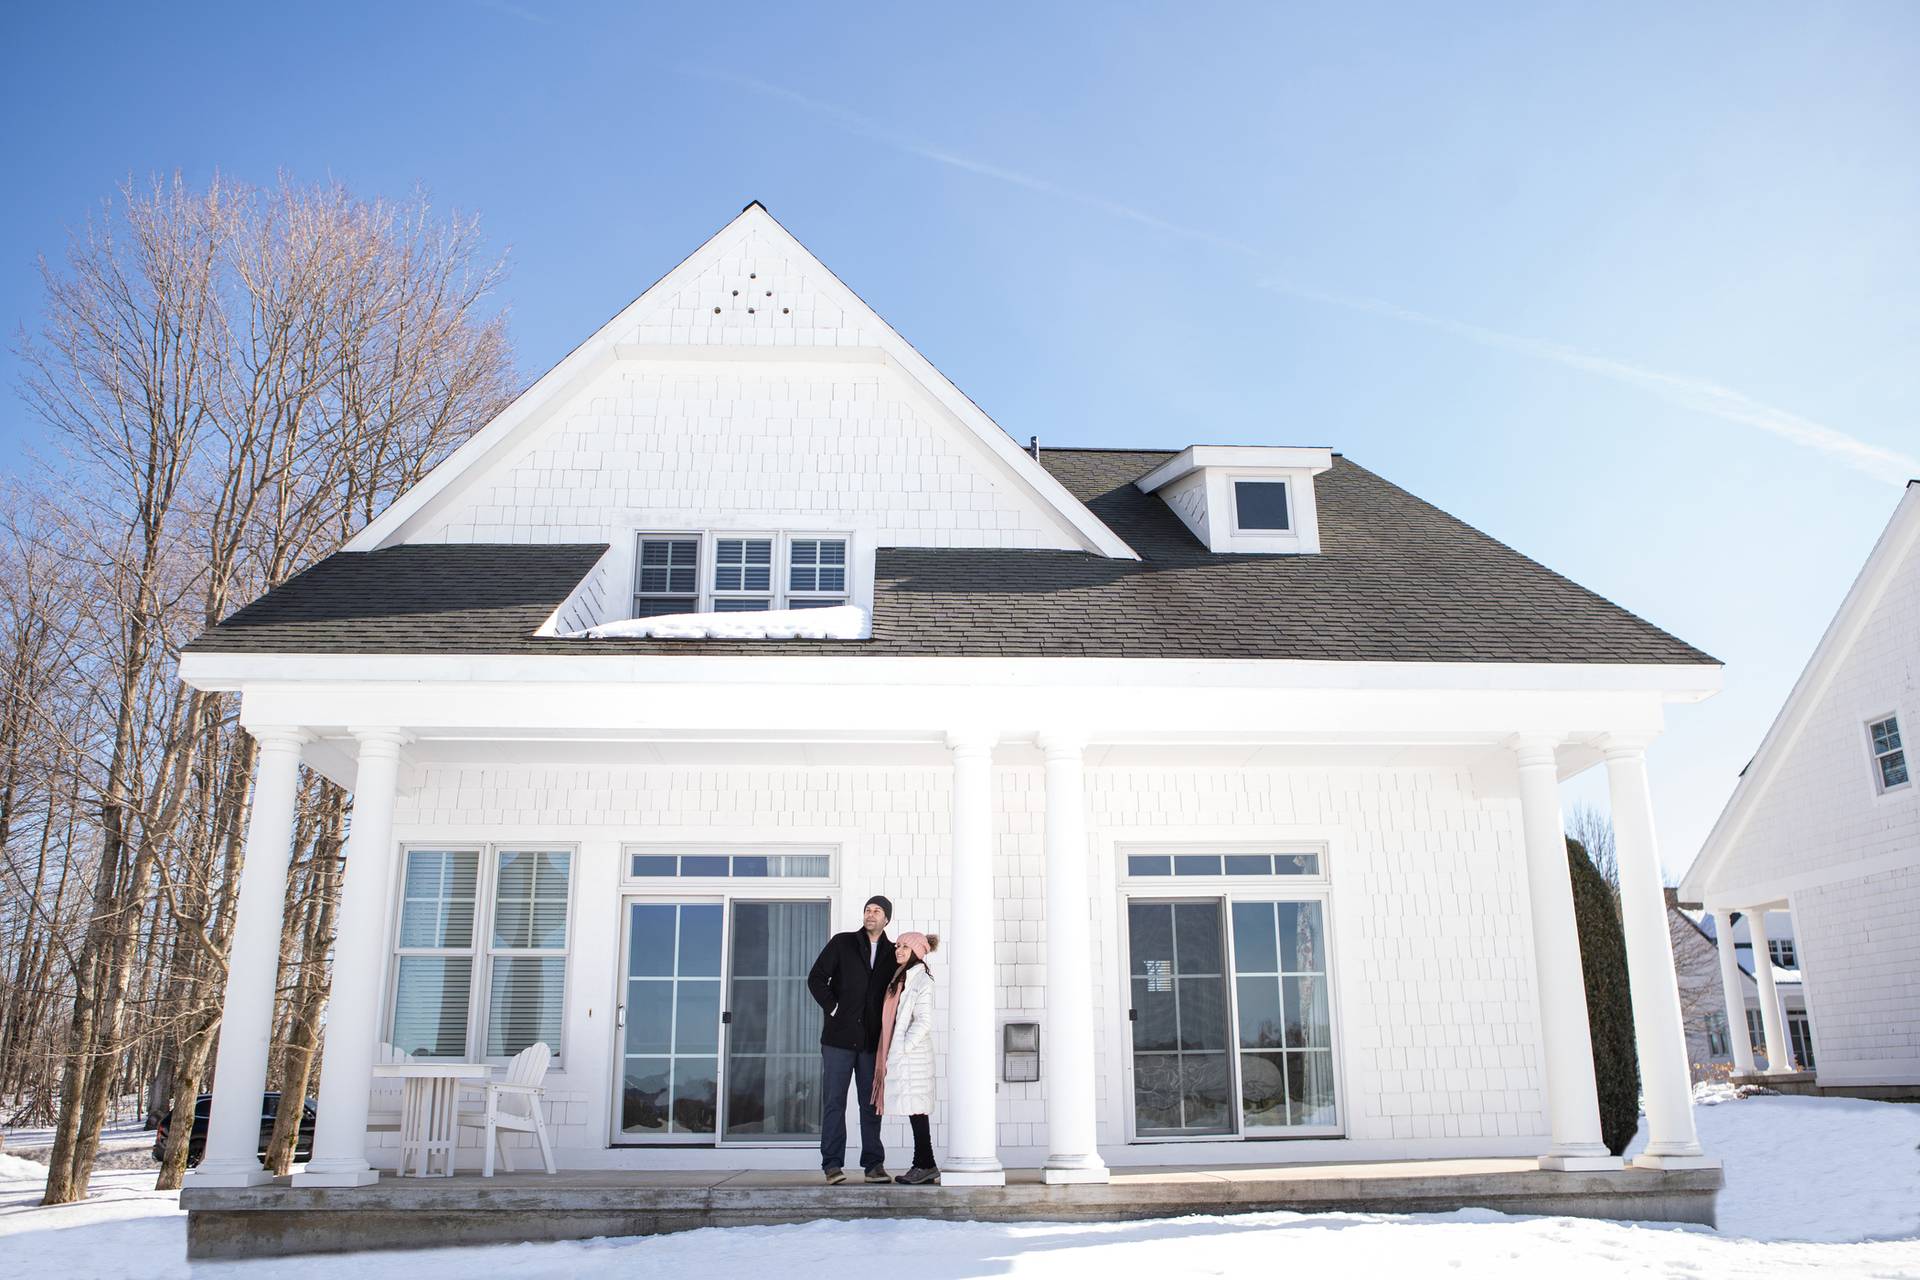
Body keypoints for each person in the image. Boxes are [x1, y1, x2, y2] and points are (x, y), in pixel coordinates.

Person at [807, 894, 898, 1184]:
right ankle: (832, 1165)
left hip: (872, 1042)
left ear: (886, 919)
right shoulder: (842, 943)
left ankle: (873, 1165)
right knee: (835, 1102)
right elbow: (816, 978)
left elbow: (904, 978)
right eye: (867, 909)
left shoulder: (891, 952)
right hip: (838, 1040)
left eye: (877, 910)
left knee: (870, 1104)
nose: (870, 914)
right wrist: (835, 1008)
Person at [873, 931, 941, 1184]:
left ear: (917, 952)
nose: (898, 950)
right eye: (897, 946)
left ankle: (924, 1165)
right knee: (916, 1112)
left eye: (905, 947)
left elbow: (923, 1021)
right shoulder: (902, 976)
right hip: (905, 1055)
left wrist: (902, 1047)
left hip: (914, 1057)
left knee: (918, 1111)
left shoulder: (922, 979)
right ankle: (925, 1164)